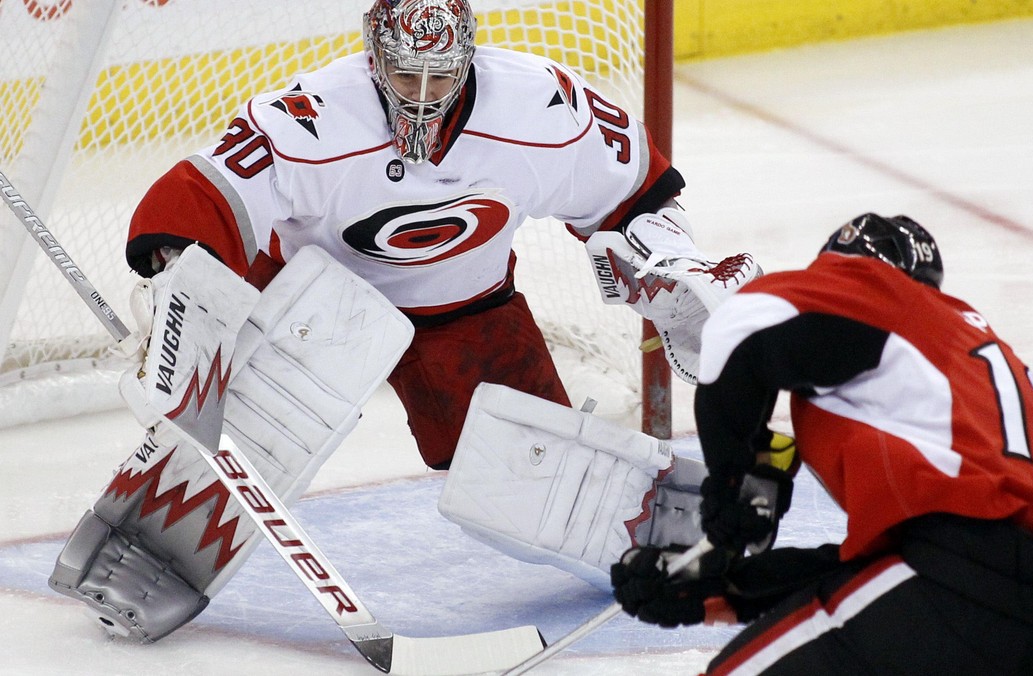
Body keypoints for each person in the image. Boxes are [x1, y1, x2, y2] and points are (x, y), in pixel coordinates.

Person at [47, 0, 758, 643]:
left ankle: (691, 534)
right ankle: (139, 556)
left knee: (527, 474)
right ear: (372, 57)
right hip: (313, 306)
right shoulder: (313, 118)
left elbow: (633, 190)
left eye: (440, 76)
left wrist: (664, 260)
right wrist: (184, 282)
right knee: (243, 434)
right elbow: (208, 190)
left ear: (470, 55)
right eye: (403, 74)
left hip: (465, 309)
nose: (420, 96)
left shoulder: (541, 108)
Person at [610, 213, 1033, 675]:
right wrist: (728, 591)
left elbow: (741, 324)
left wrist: (737, 487)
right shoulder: (972, 375)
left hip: (967, 602)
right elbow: (941, 558)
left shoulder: (875, 291)